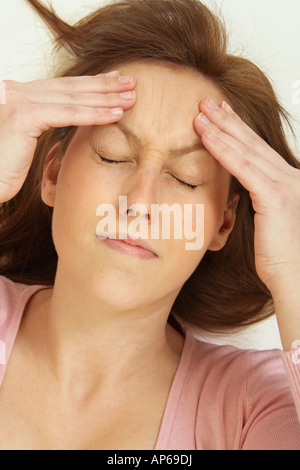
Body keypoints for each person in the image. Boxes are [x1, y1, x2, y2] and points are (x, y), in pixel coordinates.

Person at [0, 0, 299, 450]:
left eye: (185, 178)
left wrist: (294, 268)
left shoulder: (249, 406)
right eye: (112, 155)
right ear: (54, 174)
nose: (140, 203)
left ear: (223, 224)